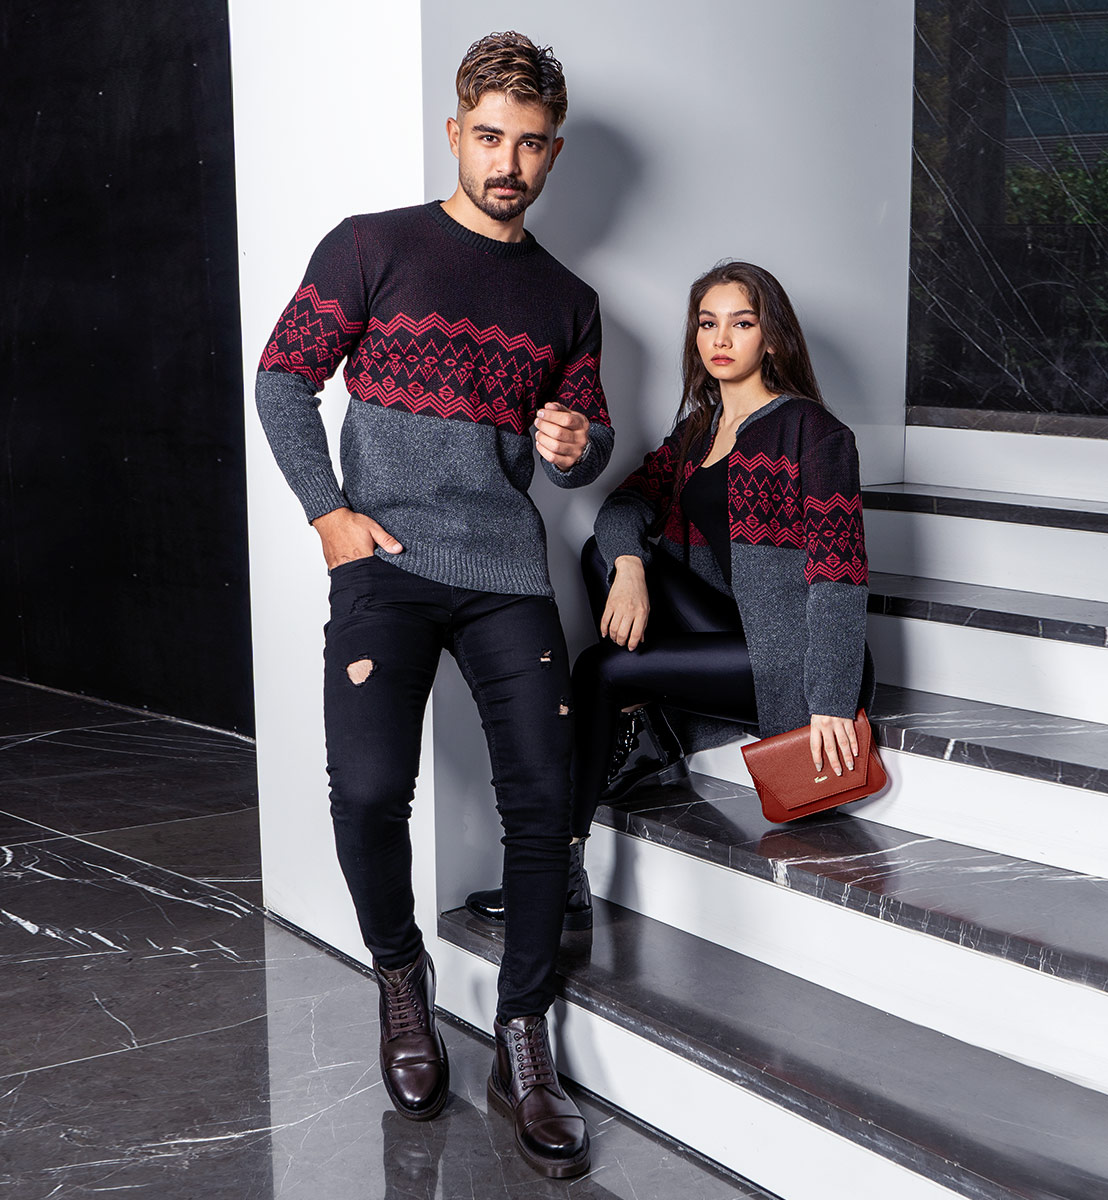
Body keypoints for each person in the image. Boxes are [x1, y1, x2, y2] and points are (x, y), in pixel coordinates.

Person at [255, 31, 611, 1180]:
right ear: (455, 132)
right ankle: (401, 982)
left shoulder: (568, 301)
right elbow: (282, 375)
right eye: (490, 137)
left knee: (544, 802)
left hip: (507, 572)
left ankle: (524, 1039)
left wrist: (576, 444)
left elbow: (585, 441)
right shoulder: (373, 246)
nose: (509, 163)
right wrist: (329, 514)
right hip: (387, 561)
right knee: (367, 790)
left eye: (531, 144)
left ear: (554, 153)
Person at [467, 260, 873, 931]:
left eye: (742, 323)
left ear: (772, 338)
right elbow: (626, 502)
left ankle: (556, 871)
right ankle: (642, 736)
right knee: (605, 551)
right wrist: (630, 565)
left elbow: (840, 570)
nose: (722, 339)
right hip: (730, 629)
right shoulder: (697, 432)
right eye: (708, 324)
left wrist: (830, 698)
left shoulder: (813, 432)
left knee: (600, 668)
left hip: (797, 653)